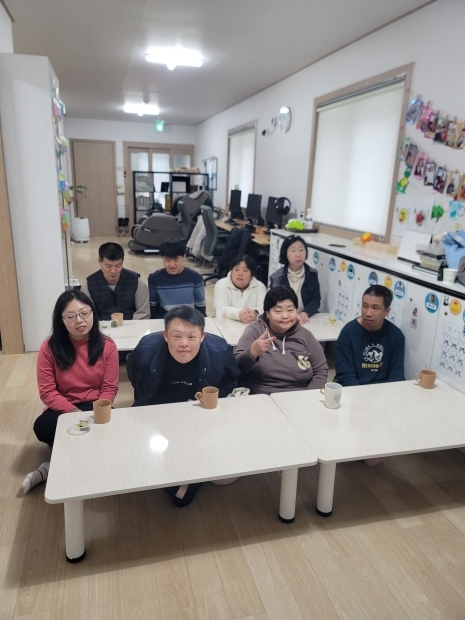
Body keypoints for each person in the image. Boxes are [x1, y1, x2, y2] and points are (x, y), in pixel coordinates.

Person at [127, 305, 239, 507]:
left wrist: (213, 396)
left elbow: (231, 379)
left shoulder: (219, 350)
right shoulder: (145, 349)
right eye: (177, 336)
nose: (184, 344)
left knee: (182, 496)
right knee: (137, 467)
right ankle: (190, 469)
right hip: (157, 414)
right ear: (165, 335)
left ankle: (195, 469)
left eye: (192, 337)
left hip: (199, 415)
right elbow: (136, 379)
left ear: (202, 336)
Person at [23, 290, 119, 494]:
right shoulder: (49, 347)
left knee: (112, 430)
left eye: (84, 313)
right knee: (43, 426)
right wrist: (75, 413)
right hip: (64, 408)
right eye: (71, 316)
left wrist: (98, 411)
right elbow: (47, 392)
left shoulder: (107, 345)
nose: (80, 320)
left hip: (95, 405)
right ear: (61, 320)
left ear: (93, 313)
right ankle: (88, 461)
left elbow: (109, 387)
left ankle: (51, 468)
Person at [234, 286, 328, 395]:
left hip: (298, 396)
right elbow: (236, 368)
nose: (285, 316)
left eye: (290, 310)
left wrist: (308, 397)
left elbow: (320, 370)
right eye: (278, 311)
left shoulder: (305, 336)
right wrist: (252, 352)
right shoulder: (255, 331)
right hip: (261, 396)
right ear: (267, 313)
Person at [335, 285, 405, 387]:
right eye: (365, 306)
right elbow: (345, 374)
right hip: (353, 388)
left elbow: (396, 375)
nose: (368, 313)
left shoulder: (396, 335)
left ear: (387, 311)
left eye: (375, 308)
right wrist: (361, 394)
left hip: (383, 390)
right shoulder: (348, 333)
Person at [81, 242, 150, 320]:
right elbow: (87, 315)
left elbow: (143, 313)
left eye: (118, 266)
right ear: (99, 262)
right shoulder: (88, 286)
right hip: (102, 325)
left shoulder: (137, 282)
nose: (113, 271)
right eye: (108, 266)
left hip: (131, 324)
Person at [148, 239, 206, 318]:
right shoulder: (154, 278)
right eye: (167, 260)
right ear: (162, 258)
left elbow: (200, 307)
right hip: (164, 319)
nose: (172, 265)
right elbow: (153, 306)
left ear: (184, 257)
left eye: (176, 260)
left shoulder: (195, 277)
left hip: (189, 319)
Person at [269, 235, 320, 324]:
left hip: (306, 319)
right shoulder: (277, 277)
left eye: (301, 250)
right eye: (293, 251)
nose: (298, 255)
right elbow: (274, 304)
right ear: (285, 253)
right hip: (285, 320)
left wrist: (306, 312)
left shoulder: (312, 274)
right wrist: (292, 315)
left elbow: (315, 299)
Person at [213, 254, 267, 323]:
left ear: (251, 275)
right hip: (225, 324)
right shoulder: (221, 284)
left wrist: (254, 312)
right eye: (237, 269)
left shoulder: (260, 287)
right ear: (231, 271)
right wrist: (239, 314)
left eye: (245, 270)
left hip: (250, 325)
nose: (240, 274)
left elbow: (264, 309)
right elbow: (220, 308)